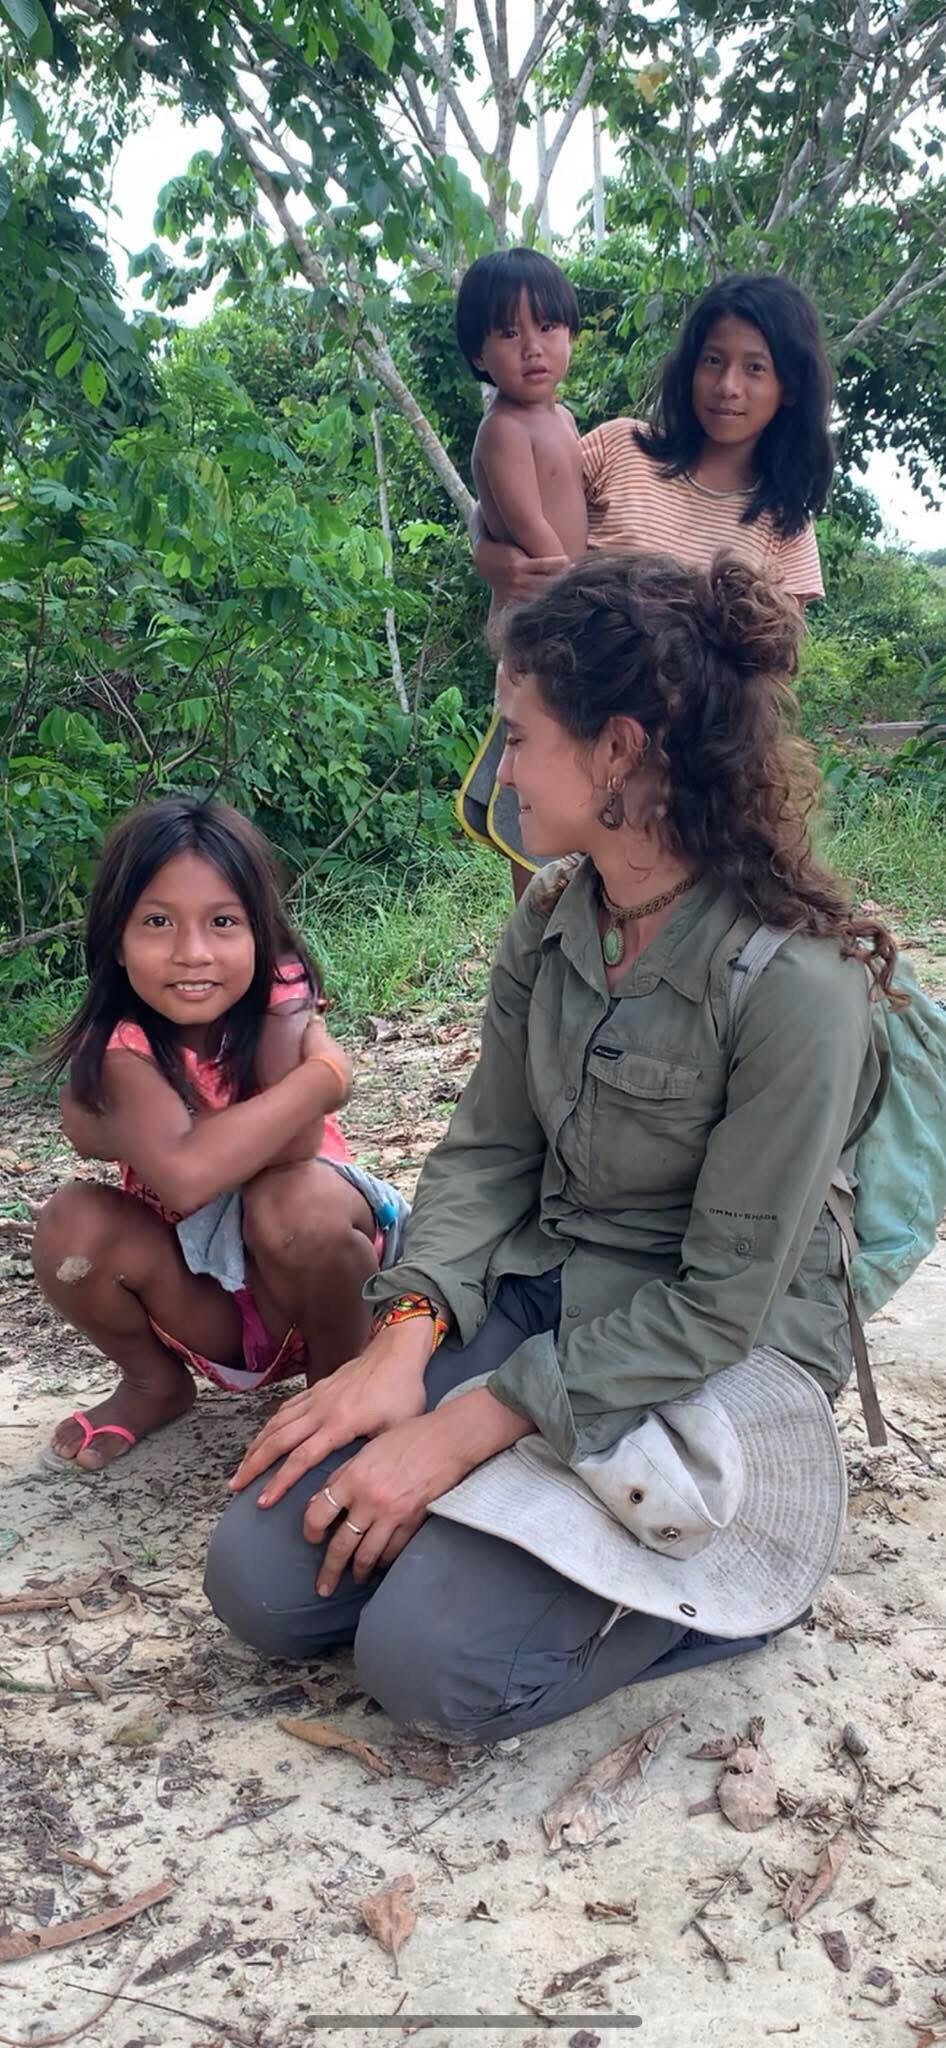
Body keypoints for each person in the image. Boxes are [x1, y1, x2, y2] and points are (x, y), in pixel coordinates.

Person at [205, 552, 893, 1744]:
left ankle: (728, 1597)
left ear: (617, 750)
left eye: (518, 736)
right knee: (260, 1583)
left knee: (432, 1669)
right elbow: (486, 1151)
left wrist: (464, 1425)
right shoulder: (553, 913)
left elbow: (718, 1304)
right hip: (544, 1288)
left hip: (700, 1355)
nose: (499, 769)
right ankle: (500, 1530)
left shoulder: (797, 985)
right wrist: (404, 1338)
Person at [33, 796, 406, 1476]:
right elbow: (182, 1177)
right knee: (70, 1227)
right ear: (116, 939)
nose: (192, 953)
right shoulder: (123, 1044)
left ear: (261, 932)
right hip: (207, 1296)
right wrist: (323, 1078)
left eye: (223, 921)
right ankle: (155, 1384)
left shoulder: (280, 991)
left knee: (294, 1203)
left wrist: (156, 1134)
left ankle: (338, 1393)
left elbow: (296, 1146)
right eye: (157, 922)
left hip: (324, 1278)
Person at [466, 272, 835, 888]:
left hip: (683, 772)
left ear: (790, 386)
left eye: (754, 368)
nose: (728, 386)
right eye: (713, 360)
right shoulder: (621, 449)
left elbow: (768, 670)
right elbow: (506, 496)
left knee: (658, 926)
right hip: (564, 731)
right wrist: (487, 554)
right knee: (549, 915)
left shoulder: (785, 523)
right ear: (690, 366)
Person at [454, 246, 585, 899]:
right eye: (509, 333)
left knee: (574, 781)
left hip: (567, 625)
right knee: (532, 794)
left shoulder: (562, 419)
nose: (533, 347)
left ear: (570, 334)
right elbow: (540, 543)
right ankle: (535, 926)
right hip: (541, 633)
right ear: (480, 354)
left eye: (548, 327)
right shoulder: (503, 430)